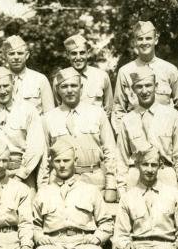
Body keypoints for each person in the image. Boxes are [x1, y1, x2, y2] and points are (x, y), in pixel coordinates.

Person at [40, 68, 121, 203]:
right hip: (60, 183)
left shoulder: (97, 113)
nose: (69, 90)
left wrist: (111, 185)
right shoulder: (48, 118)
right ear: (57, 90)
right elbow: (44, 158)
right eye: (64, 86)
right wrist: (43, 189)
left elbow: (110, 151)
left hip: (94, 181)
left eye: (74, 85)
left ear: (81, 88)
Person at [116, 66, 178, 193]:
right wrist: (121, 190)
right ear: (133, 89)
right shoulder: (127, 120)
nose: (144, 91)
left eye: (148, 85)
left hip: (165, 175)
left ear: (156, 86)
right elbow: (121, 159)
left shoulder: (172, 116)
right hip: (135, 178)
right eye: (139, 87)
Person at [0, 67, 45, 186]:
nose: (2, 91)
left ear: (13, 84)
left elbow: (35, 146)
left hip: (22, 172)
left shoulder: (28, 110)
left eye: (6, 86)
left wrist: (20, 175)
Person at [113, 21, 178, 123]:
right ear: (135, 42)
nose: (144, 43)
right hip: (134, 130)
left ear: (156, 40)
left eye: (148, 38)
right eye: (140, 39)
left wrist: (169, 126)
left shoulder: (170, 70)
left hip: (164, 129)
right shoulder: (125, 71)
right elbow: (118, 110)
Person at [1, 35, 54, 113]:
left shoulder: (40, 79)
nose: (16, 57)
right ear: (5, 56)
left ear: (27, 55)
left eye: (20, 53)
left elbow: (49, 113)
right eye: (11, 54)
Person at [59, 34, 113, 111]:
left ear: (88, 53)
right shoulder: (60, 77)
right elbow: (58, 109)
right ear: (68, 55)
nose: (78, 57)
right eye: (74, 53)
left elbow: (109, 109)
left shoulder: (101, 76)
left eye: (82, 53)